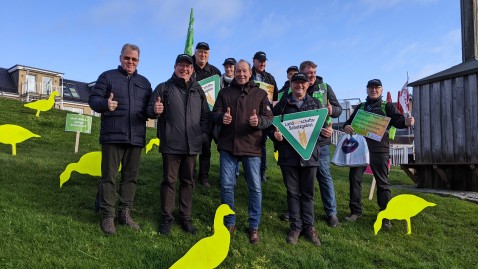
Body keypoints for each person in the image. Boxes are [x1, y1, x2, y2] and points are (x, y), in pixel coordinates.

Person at [88, 43, 152, 235]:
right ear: (120, 58)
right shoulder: (107, 77)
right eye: (127, 58)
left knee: (130, 178)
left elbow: (149, 109)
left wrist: (155, 112)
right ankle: (108, 216)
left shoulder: (145, 83)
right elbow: (93, 100)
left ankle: (125, 213)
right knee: (109, 177)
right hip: (112, 136)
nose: (130, 62)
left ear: (138, 61)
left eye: (134, 59)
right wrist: (105, 104)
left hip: (136, 138)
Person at [147, 54, 210, 235]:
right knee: (169, 182)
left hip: (192, 146)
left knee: (188, 182)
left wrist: (202, 135)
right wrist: (154, 110)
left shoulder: (198, 90)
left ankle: (185, 218)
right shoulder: (164, 88)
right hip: (171, 145)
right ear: (175, 67)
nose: (185, 69)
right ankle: (166, 218)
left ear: (192, 69)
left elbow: (205, 116)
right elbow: (150, 109)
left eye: (188, 66)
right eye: (181, 65)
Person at [211, 59, 273, 244]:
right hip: (228, 146)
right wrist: (223, 117)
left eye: (244, 71)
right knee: (226, 186)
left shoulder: (261, 93)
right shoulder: (224, 92)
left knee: (255, 188)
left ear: (250, 73)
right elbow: (214, 114)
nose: (241, 74)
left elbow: (269, 117)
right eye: (238, 71)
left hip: (252, 147)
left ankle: (253, 226)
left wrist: (259, 122)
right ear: (234, 72)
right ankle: (230, 223)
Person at [343, 79, 415, 228]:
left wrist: (407, 122)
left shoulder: (387, 106)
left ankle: (386, 216)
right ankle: (355, 212)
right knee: (354, 179)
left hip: (379, 149)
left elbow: (399, 121)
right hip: (360, 149)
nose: (374, 90)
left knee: (382, 182)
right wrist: (346, 127)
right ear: (367, 90)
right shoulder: (361, 107)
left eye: (377, 88)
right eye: (371, 88)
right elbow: (348, 122)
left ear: (381, 90)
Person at [269, 72, 322, 246]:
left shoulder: (316, 104)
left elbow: (322, 132)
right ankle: (295, 227)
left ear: (308, 85)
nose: (299, 86)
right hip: (288, 157)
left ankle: (309, 227)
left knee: (308, 194)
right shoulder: (281, 106)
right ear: (291, 85)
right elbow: (270, 128)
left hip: (310, 157)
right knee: (292, 193)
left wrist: (326, 133)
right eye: (296, 83)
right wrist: (274, 135)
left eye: (303, 83)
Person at [193, 42, 221, 188]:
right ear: (195, 52)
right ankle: (190, 175)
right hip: (190, 115)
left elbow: (220, 94)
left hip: (208, 117)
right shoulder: (188, 67)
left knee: (206, 148)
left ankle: (203, 177)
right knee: (190, 148)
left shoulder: (215, 72)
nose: (202, 55)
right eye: (200, 52)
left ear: (208, 54)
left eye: (205, 52)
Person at [252, 51, 279, 182]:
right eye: (259, 60)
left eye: (264, 61)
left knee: (261, 144)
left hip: (264, 115)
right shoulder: (248, 75)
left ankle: (261, 172)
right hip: (249, 114)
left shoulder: (270, 78)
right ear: (254, 61)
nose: (262, 63)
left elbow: (275, 98)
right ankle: (243, 172)